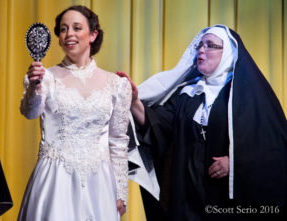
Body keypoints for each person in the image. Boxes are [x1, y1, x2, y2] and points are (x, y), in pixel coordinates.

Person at [118, 25, 287, 220]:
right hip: (187, 194)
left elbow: (274, 148)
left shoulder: (247, 96)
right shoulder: (189, 94)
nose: (201, 50)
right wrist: (134, 102)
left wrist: (236, 163)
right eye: (200, 45)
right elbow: (161, 127)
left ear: (228, 54)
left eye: (210, 46)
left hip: (224, 199)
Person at [18, 5, 131, 221]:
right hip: (55, 181)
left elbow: (117, 141)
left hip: (99, 184)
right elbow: (30, 112)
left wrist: (121, 192)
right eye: (63, 29)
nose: (69, 34)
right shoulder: (46, 77)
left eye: (77, 28)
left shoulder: (117, 84)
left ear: (93, 35)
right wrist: (34, 86)